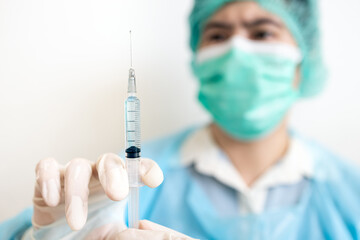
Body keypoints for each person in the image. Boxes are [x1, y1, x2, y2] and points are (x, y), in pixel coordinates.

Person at [1, 0, 360, 239]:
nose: (236, 49)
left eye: (262, 32)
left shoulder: (350, 195)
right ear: (198, 60)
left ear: (303, 64)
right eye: (217, 35)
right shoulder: (121, 183)